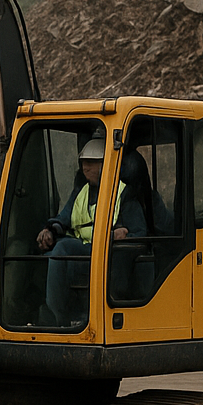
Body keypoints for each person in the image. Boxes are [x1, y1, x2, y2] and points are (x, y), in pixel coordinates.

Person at [35, 134, 145, 324]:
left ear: (107, 163)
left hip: (108, 255)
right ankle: (58, 318)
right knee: (55, 252)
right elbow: (63, 218)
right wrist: (50, 231)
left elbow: (140, 234)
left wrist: (124, 234)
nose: (85, 167)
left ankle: (77, 317)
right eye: (84, 162)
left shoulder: (124, 193)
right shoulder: (81, 192)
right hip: (84, 250)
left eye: (92, 162)